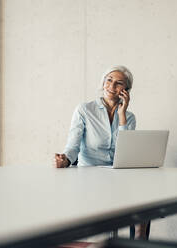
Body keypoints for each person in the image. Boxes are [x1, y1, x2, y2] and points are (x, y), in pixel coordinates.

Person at [53, 65, 150, 240]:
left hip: (117, 175)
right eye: (109, 80)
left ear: (126, 91)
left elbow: (126, 152)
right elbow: (73, 145)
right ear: (103, 83)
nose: (111, 86)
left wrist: (122, 115)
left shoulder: (130, 117)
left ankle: (139, 240)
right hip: (89, 175)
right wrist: (66, 160)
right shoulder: (84, 110)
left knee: (145, 194)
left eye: (118, 83)